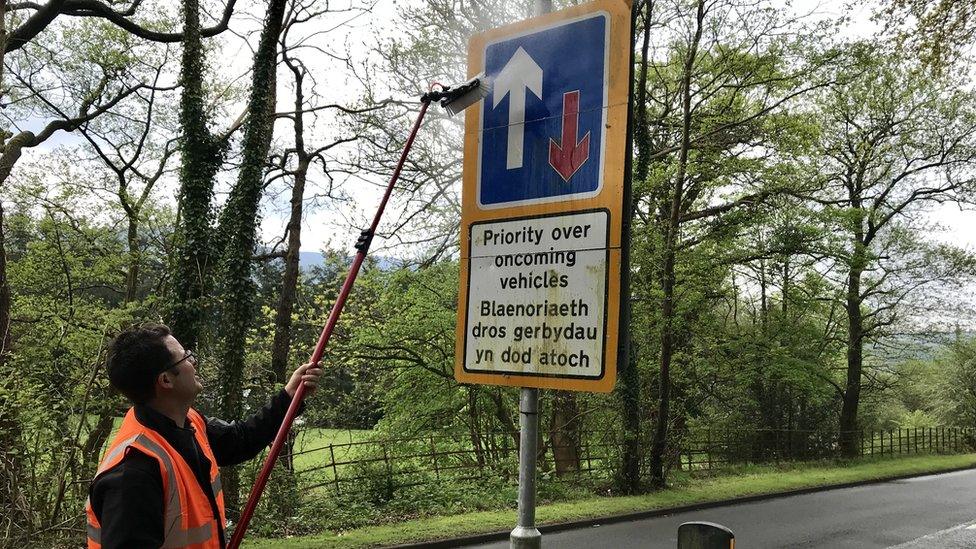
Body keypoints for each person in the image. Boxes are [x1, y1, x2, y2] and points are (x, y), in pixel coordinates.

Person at [85, 323, 323, 549]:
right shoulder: (134, 473)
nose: (194, 361)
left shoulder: (189, 422)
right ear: (166, 380)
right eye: (186, 356)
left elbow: (240, 440)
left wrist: (290, 396)